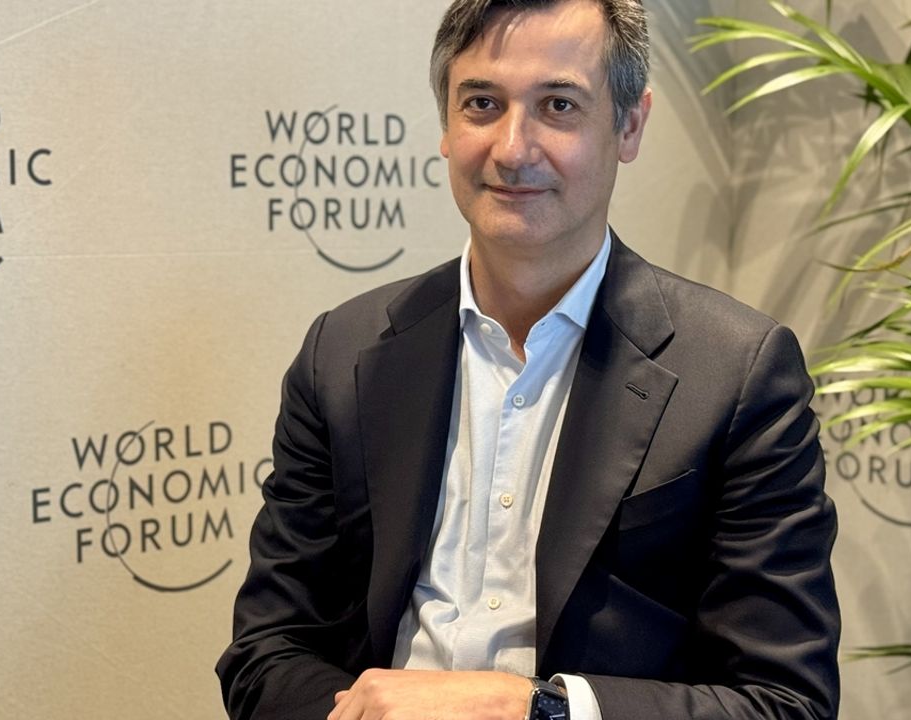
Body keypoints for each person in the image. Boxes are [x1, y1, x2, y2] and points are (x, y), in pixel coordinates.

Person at [216, 0, 841, 718]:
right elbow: (267, 652)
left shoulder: (738, 373)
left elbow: (785, 701)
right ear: (447, 125)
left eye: (558, 106)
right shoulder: (342, 352)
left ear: (629, 126)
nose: (513, 148)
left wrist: (533, 709)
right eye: (482, 103)